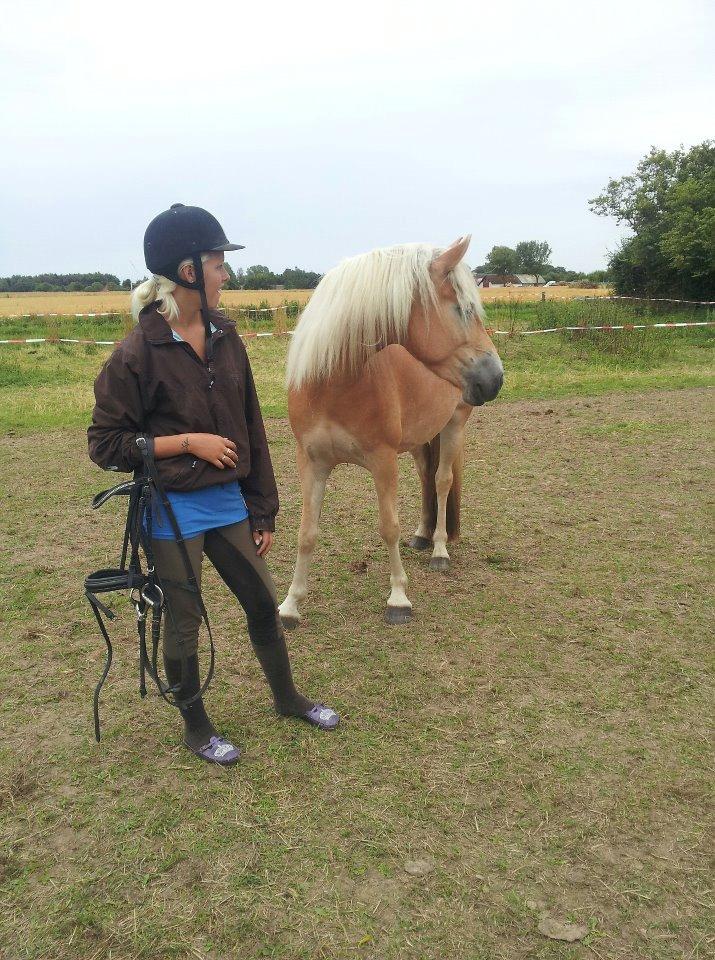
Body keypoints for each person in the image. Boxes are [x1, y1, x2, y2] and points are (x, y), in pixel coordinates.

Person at [88, 203, 339, 766]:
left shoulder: (226, 335)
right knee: (183, 623)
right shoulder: (136, 353)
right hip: (171, 513)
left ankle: (287, 698)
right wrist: (184, 443)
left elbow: (251, 423)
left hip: (229, 502)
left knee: (262, 603)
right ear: (187, 272)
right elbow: (104, 444)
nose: (227, 274)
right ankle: (197, 727)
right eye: (218, 263)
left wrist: (262, 509)